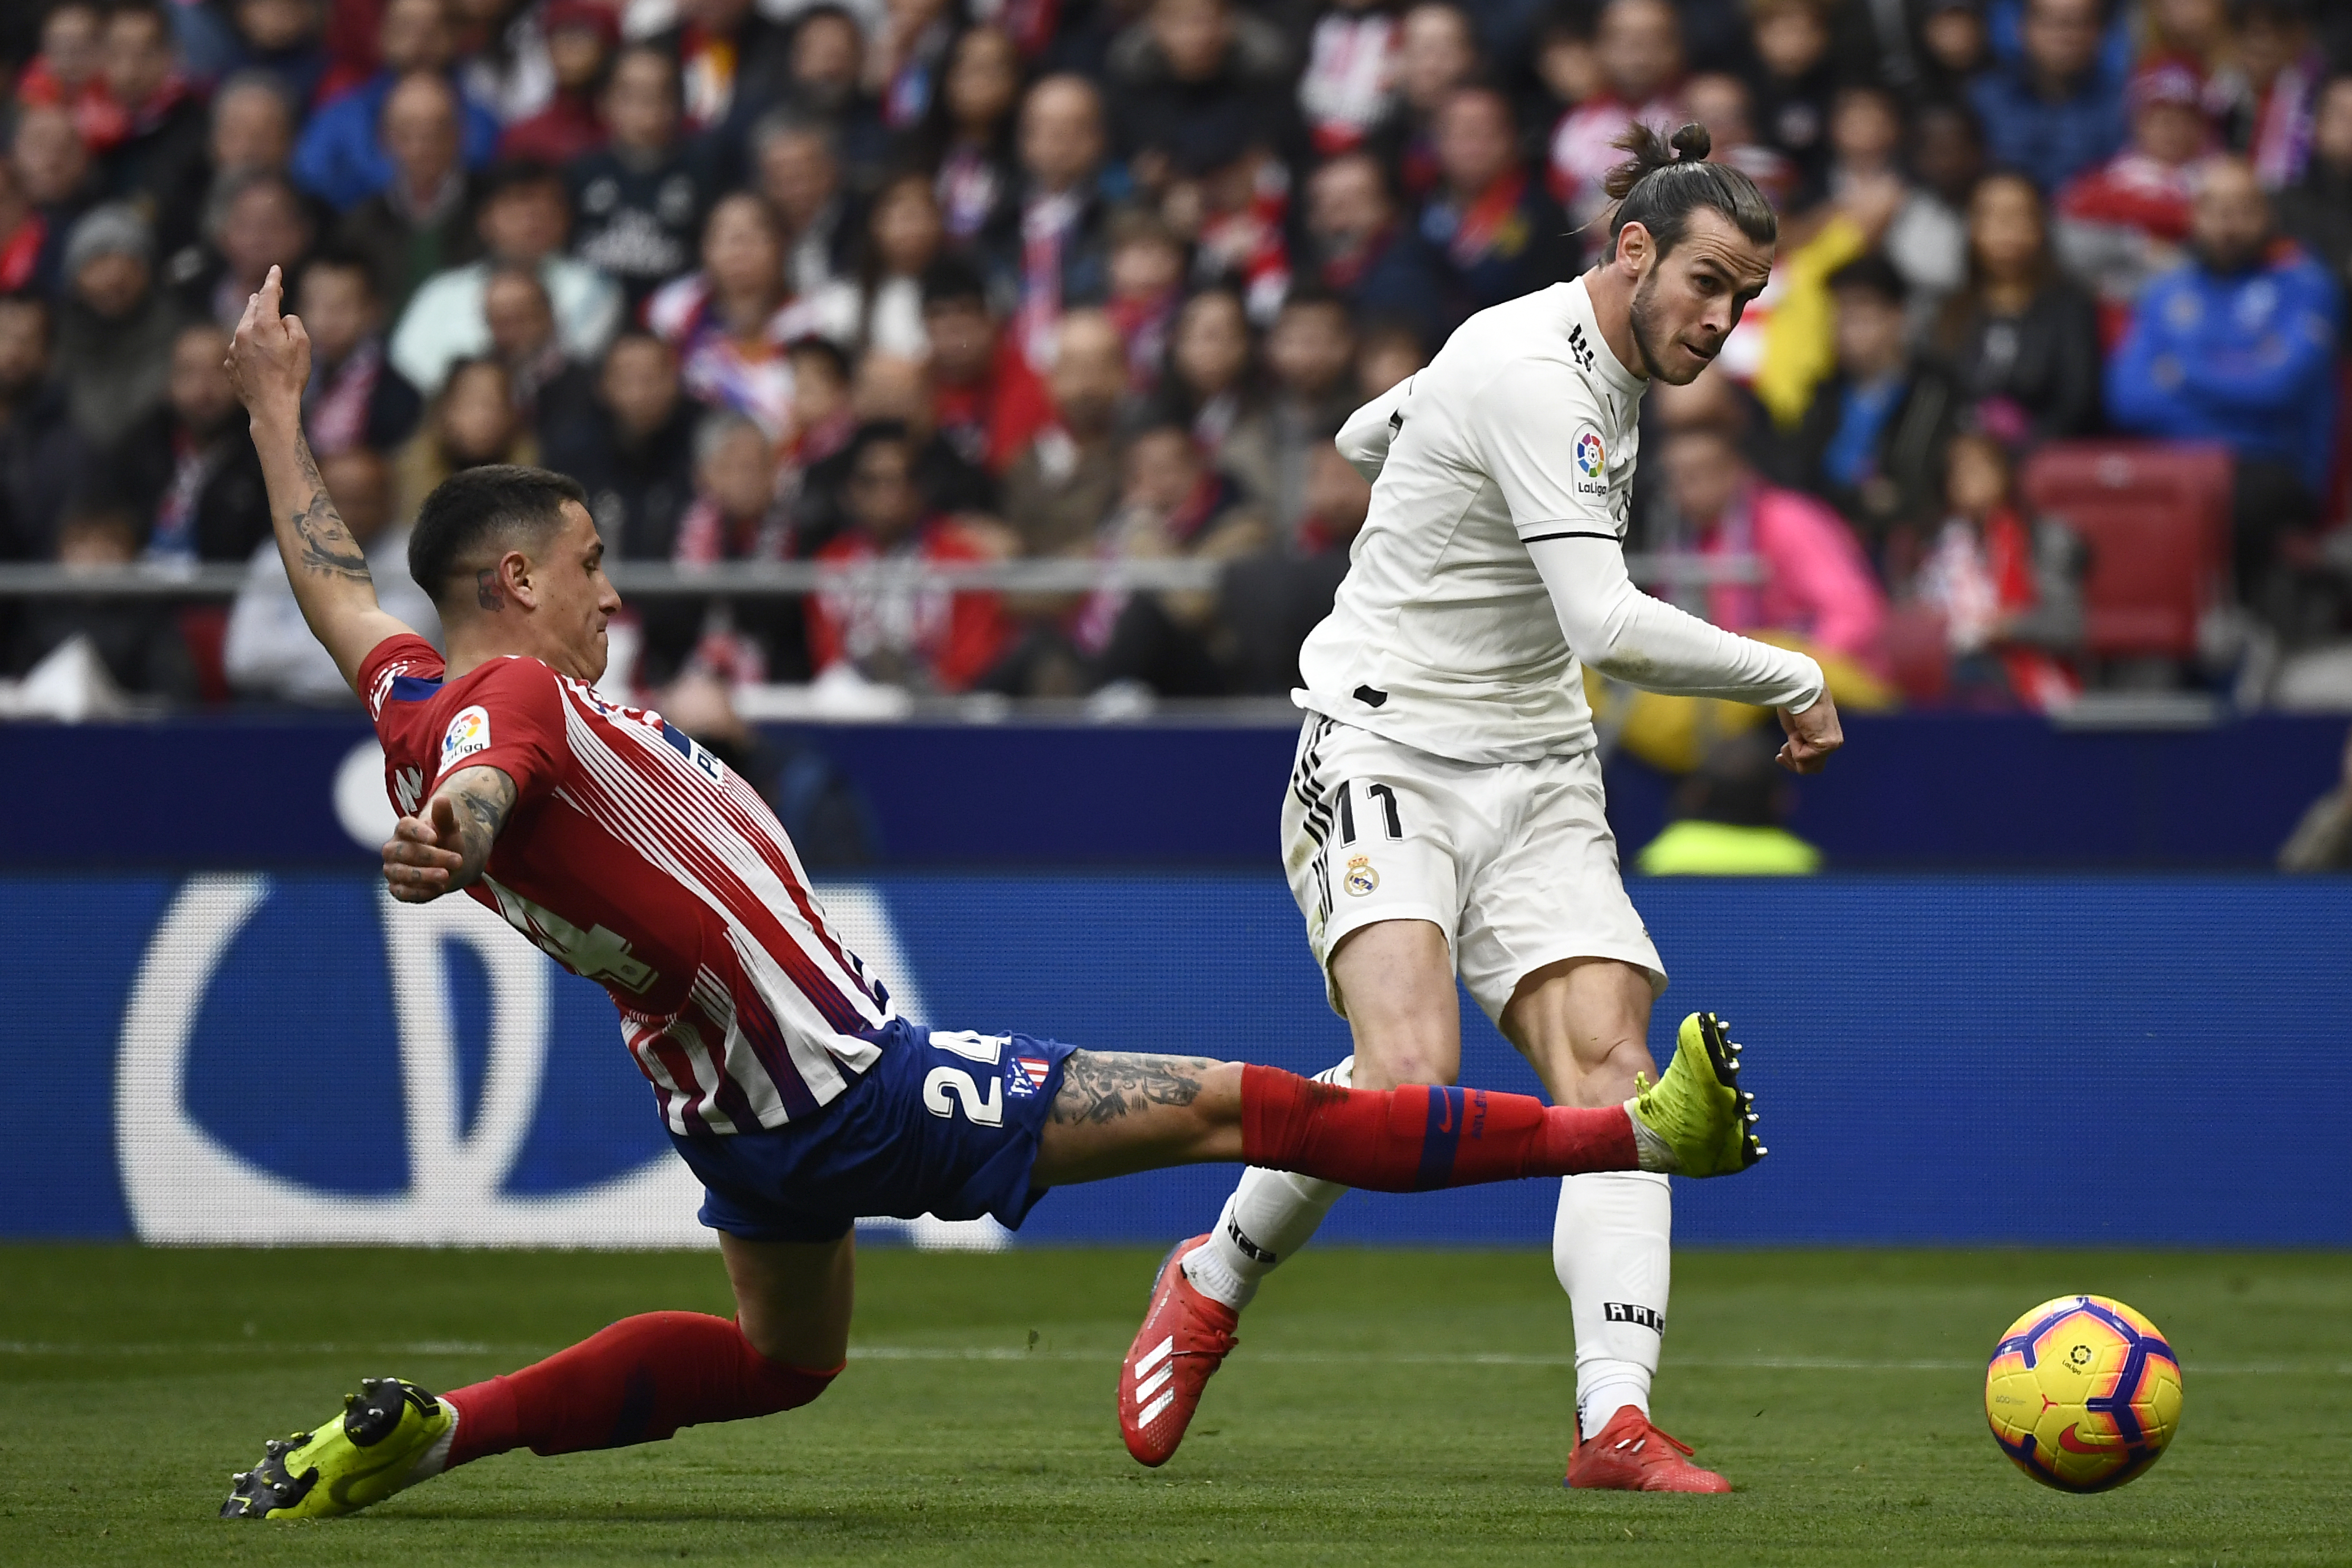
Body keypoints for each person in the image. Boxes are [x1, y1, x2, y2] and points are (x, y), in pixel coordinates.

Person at [214, 263, 1763, 1519]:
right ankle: (1631, 1134)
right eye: (588, 562)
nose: (610, 590)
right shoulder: (508, 702)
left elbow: (337, 585)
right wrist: (462, 831)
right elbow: (489, 776)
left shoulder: (412, 692)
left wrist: (278, 412)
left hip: (731, 1114)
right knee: (1255, 1108)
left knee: (782, 1361)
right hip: (857, 1086)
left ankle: (443, 1430)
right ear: (515, 583)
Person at [1116, 121, 1836, 1496]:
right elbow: (1605, 623)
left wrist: (1417, 441)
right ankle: (1209, 1277)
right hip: (1387, 745)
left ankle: (1613, 1420)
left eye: (1743, 298)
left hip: (1538, 766)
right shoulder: (1531, 372)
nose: (1720, 320)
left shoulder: (1565, 356)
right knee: (1403, 1083)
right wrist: (1790, 676)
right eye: (1705, 284)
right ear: (1634, 250)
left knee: (1617, 1080)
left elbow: (1365, 429)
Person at [2105, 156, 2341, 605]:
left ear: (2269, 216)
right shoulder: (2165, 291)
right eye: (2214, 209)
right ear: (2193, 217)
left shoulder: (2307, 287)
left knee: (2225, 500)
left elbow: (2277, 389)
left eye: (2243, 209)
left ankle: (2238, 622)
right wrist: (2239, 371)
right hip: (2174, 462)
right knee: (2113, 489)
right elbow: (2128, 398)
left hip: (2270, 465)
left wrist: (2182, 373)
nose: (2228, 224)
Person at [224, 444, 440, 705]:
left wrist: (292, 655)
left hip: (379, 712)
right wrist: (348, 652)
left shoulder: (416, 560)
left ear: (388, 502)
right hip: (280, 709)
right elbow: (243, 660)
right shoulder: (278, 555)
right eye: (335, 500)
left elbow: (398, 670)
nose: (349, 513)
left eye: (362, 501)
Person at [1965, 0, 2125, 195]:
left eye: (2078, 23)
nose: (2065, 36)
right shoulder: (1986, 99)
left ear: (2101, 32)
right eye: (2051, 23)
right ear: (2022, 28)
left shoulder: (2125, 103)